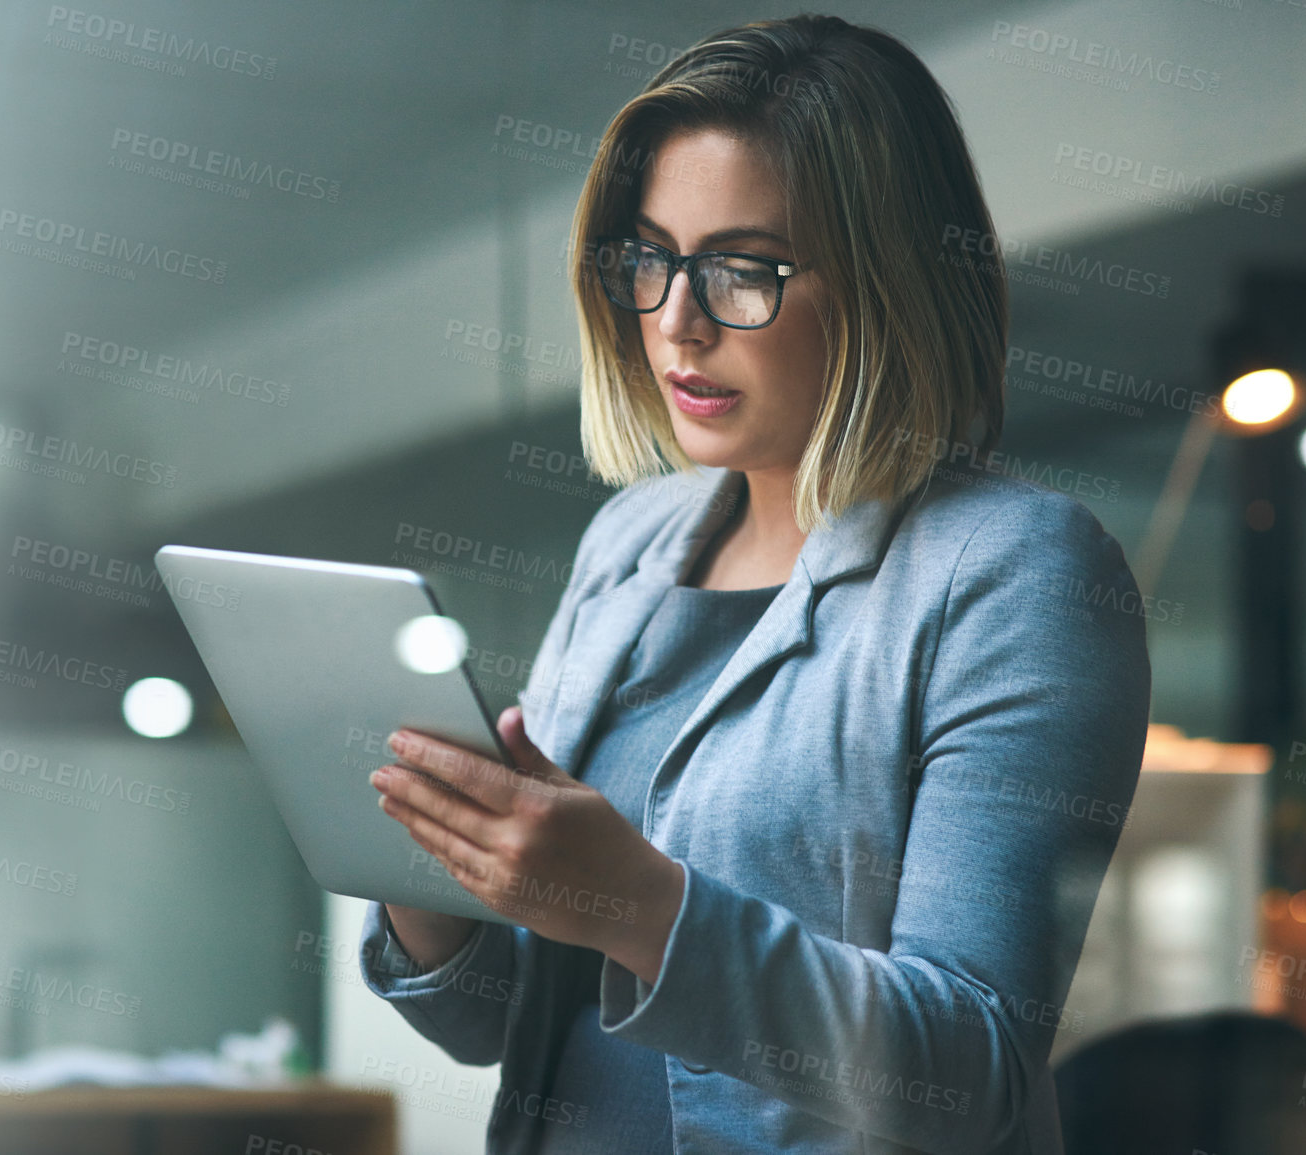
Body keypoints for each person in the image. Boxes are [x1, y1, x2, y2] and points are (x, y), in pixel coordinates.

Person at [359, 13, 1151, 1153]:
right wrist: (427, 863)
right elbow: (500, 1025)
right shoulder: (629, 542)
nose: (675, 321)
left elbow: (971, 1070)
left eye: (743, 270)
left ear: (890, 283)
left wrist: (636, 900)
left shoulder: (1016, 572)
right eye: (650, 257)